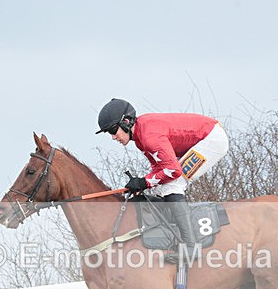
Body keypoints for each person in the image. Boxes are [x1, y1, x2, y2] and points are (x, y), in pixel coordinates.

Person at [95, 98, 229, 264]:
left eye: (113, 130)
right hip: (203, 136)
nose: (113, 137)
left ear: (126, 122)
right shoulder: (140, 137)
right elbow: (159, 169)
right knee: (161, 188)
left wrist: (144, 182)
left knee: (174, 183)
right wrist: (142, 183)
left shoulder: (149, 137)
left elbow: (173, 170)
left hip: (212, 139)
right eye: (109, 133)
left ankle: (190, 246)